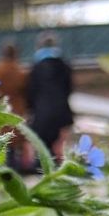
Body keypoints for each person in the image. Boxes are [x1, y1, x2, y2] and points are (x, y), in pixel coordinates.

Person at [24, 33, 74, 169]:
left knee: (42, 139)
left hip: (41, 109)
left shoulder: (36, 67)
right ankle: (54, 165)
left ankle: (42, 164)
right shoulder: (64, 65)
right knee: (57, 138)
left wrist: (30, 107)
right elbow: (69, 88)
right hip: (61, 109)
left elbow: (32, 90)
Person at [0, 43, 29, 170]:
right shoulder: (21, 72)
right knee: (15, 142)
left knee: (3, 139)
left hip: (1, 110)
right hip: (17, 110)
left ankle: (2, 167)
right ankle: (14, 168)